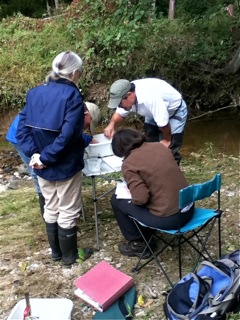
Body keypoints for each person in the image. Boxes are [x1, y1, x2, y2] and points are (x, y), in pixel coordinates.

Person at [16, 51, 86, 266]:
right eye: (80, 72)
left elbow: (21, 131)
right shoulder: (72, 96)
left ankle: (56, 253)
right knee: (68, 208)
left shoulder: (34, 93)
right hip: (64, 164)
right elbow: (68, 135)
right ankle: (69, 258)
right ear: (74, 73)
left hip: (42, 163)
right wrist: (44, 157)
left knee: (51, 205)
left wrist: (36, 156)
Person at [5, 102, 101, 218]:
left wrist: (84, 138)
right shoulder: (67, 110)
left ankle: (57, 213)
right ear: (86, 114)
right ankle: (50, 215)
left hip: (35, 133)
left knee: (49, 167)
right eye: (87, 125)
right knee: (38, 174)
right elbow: (63, 136)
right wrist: (84, 139)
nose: (85, 128)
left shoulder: (71, 106)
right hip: (22, 137)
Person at [111, 128, 194, 258]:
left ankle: (139, 244)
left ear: (120, 149)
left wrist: (131, 192)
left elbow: (141, 199)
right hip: (189, 209)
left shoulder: (129, 163)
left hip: (172, 219)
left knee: (116, 200)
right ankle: (145, 233)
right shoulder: (159, 146)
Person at [104, 78, 188, 164]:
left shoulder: (150, 98)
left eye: (120, 104)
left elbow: (163, 123)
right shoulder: (125, 92)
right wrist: (112, 124)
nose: (120, 106)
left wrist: (167, 140)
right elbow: (120, 113)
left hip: (175, 111)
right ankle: (151, 167)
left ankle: (171, 171)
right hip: (151, 112)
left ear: (129, 95)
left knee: (170, 147)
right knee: (149, 141)